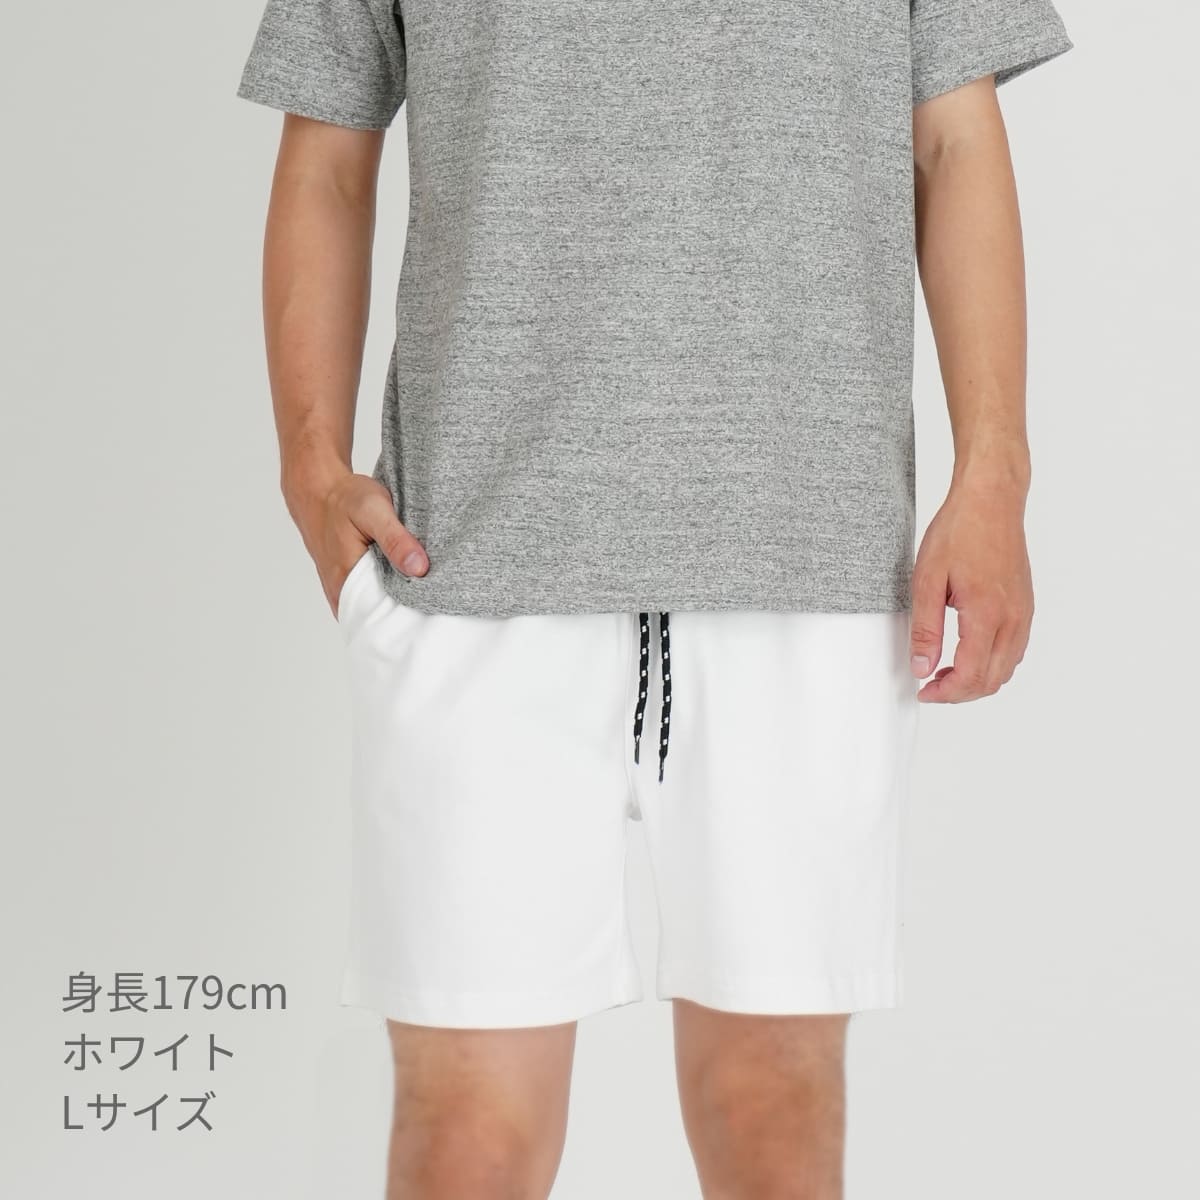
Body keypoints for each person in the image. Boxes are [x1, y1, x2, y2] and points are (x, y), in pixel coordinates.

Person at [236, 2, 1072, 1195]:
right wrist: (311, 466)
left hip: (800, 552)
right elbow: (326, 150)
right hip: (472, 564)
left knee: (774, 1112)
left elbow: (955, 137)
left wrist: (995, 476)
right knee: (467, 1135)